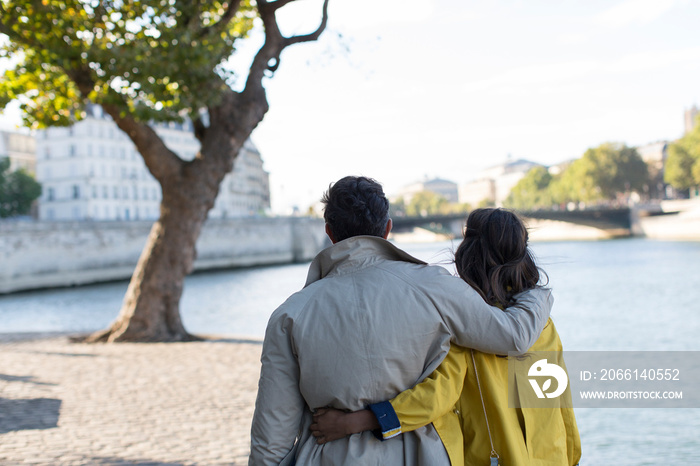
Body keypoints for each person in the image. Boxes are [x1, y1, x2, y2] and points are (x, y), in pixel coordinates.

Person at [249, 177, 554, 466]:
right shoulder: (435, 286)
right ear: (388, 228)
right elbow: (512, 337)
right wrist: (539, 295)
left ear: (329, 232)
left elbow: (272, 434)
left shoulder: (290, 314)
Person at [310, 208, 581, 466]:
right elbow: (561, 400)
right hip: (554, 455)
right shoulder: (542, 323)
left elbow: (436, 396)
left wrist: (356, 422)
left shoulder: (466, 326)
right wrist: (573, 456)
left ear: (469, 255)